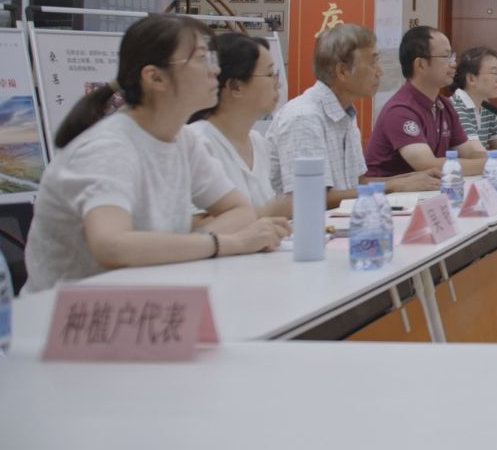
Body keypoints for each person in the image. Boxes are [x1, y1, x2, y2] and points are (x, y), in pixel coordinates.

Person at [23, 15, 289, 292]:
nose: (215, 71)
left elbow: (240, 211)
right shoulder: (108, 147)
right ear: (155, 77)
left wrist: (188, 247)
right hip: (71, 311)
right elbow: (111, 246)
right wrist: (224, 243)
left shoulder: (183, 141)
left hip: (145, 299)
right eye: (201, 59)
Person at [268, 22, 438, 207]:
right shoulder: (304, 118)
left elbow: (357, 184)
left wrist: (411, 178)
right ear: (343, 71)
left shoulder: (345, 113)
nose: (380, 71)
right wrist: (394, 186)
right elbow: (310, 199)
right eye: (372, 62)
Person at [185, 33, 290, 216]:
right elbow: (195, 226)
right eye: (270, 74)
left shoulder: (258, 142)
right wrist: (270, 213)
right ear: (235, 86)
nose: (278, 84)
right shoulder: (197, 143)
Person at [365, 25, 488, 177]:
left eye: (452, 56)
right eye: (446, 57)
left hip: (428, 189)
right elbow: (428, 165)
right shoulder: (400, 110)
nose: (453, 64)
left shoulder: (444, 105)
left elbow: (469, 153)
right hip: (387, 191)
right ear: (420, 64)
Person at [451, 46, 497, 163]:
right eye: (494, 73)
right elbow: (477, 154)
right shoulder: (456, 106)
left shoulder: (486, 107)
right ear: (471, 79)